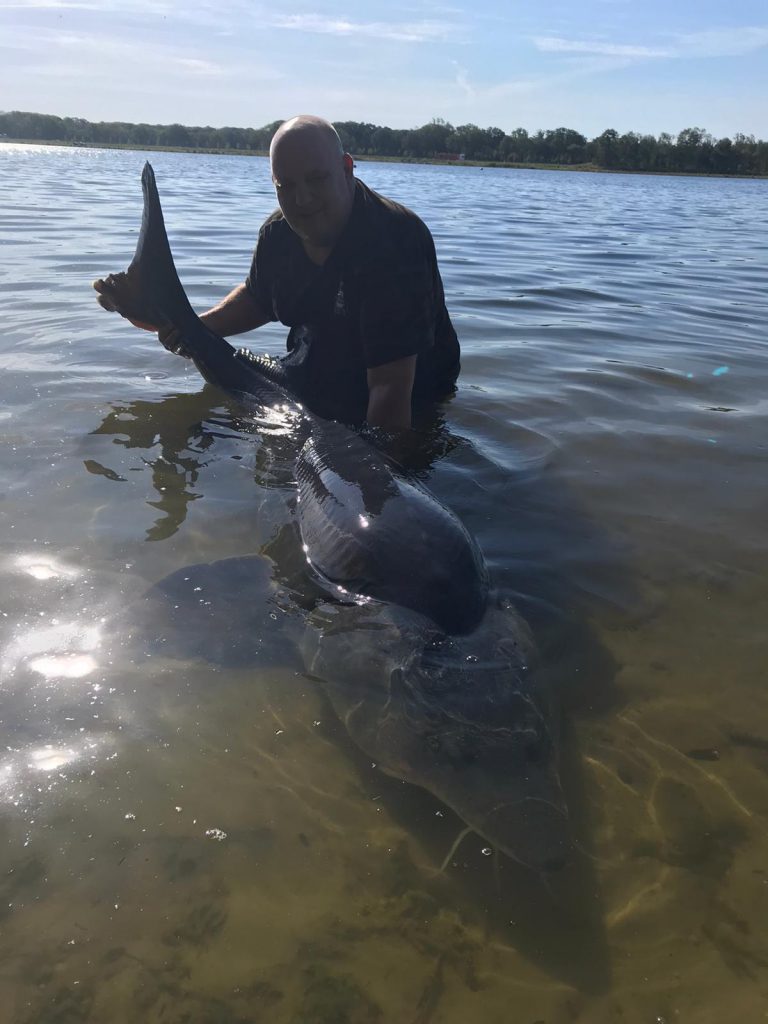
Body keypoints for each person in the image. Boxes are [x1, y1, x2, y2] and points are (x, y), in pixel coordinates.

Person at [94, 115, 460, 431]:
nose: (302, 201)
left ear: (347, 169)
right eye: (286, 187)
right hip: (314, 373)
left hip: (413, 394)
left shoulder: (394, 241)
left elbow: (389, 389)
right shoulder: (278, 234)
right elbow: (258, 298)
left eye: (316, 180)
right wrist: (192, 328)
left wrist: (381, 487)